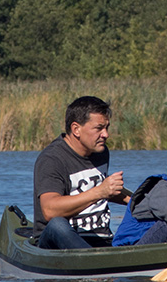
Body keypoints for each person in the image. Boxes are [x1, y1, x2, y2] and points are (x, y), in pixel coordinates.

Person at [33, 95, 131, 249]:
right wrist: (100, 192)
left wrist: (136, 201)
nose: (106, 134)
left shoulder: (101, 152)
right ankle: (93, 262)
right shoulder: (52, 159)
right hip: (58, 242)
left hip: (101, 240)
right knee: (57, 224)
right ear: (76, 129)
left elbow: (104, 189)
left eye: (107, 127)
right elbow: (50, 210)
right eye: (99, 128)